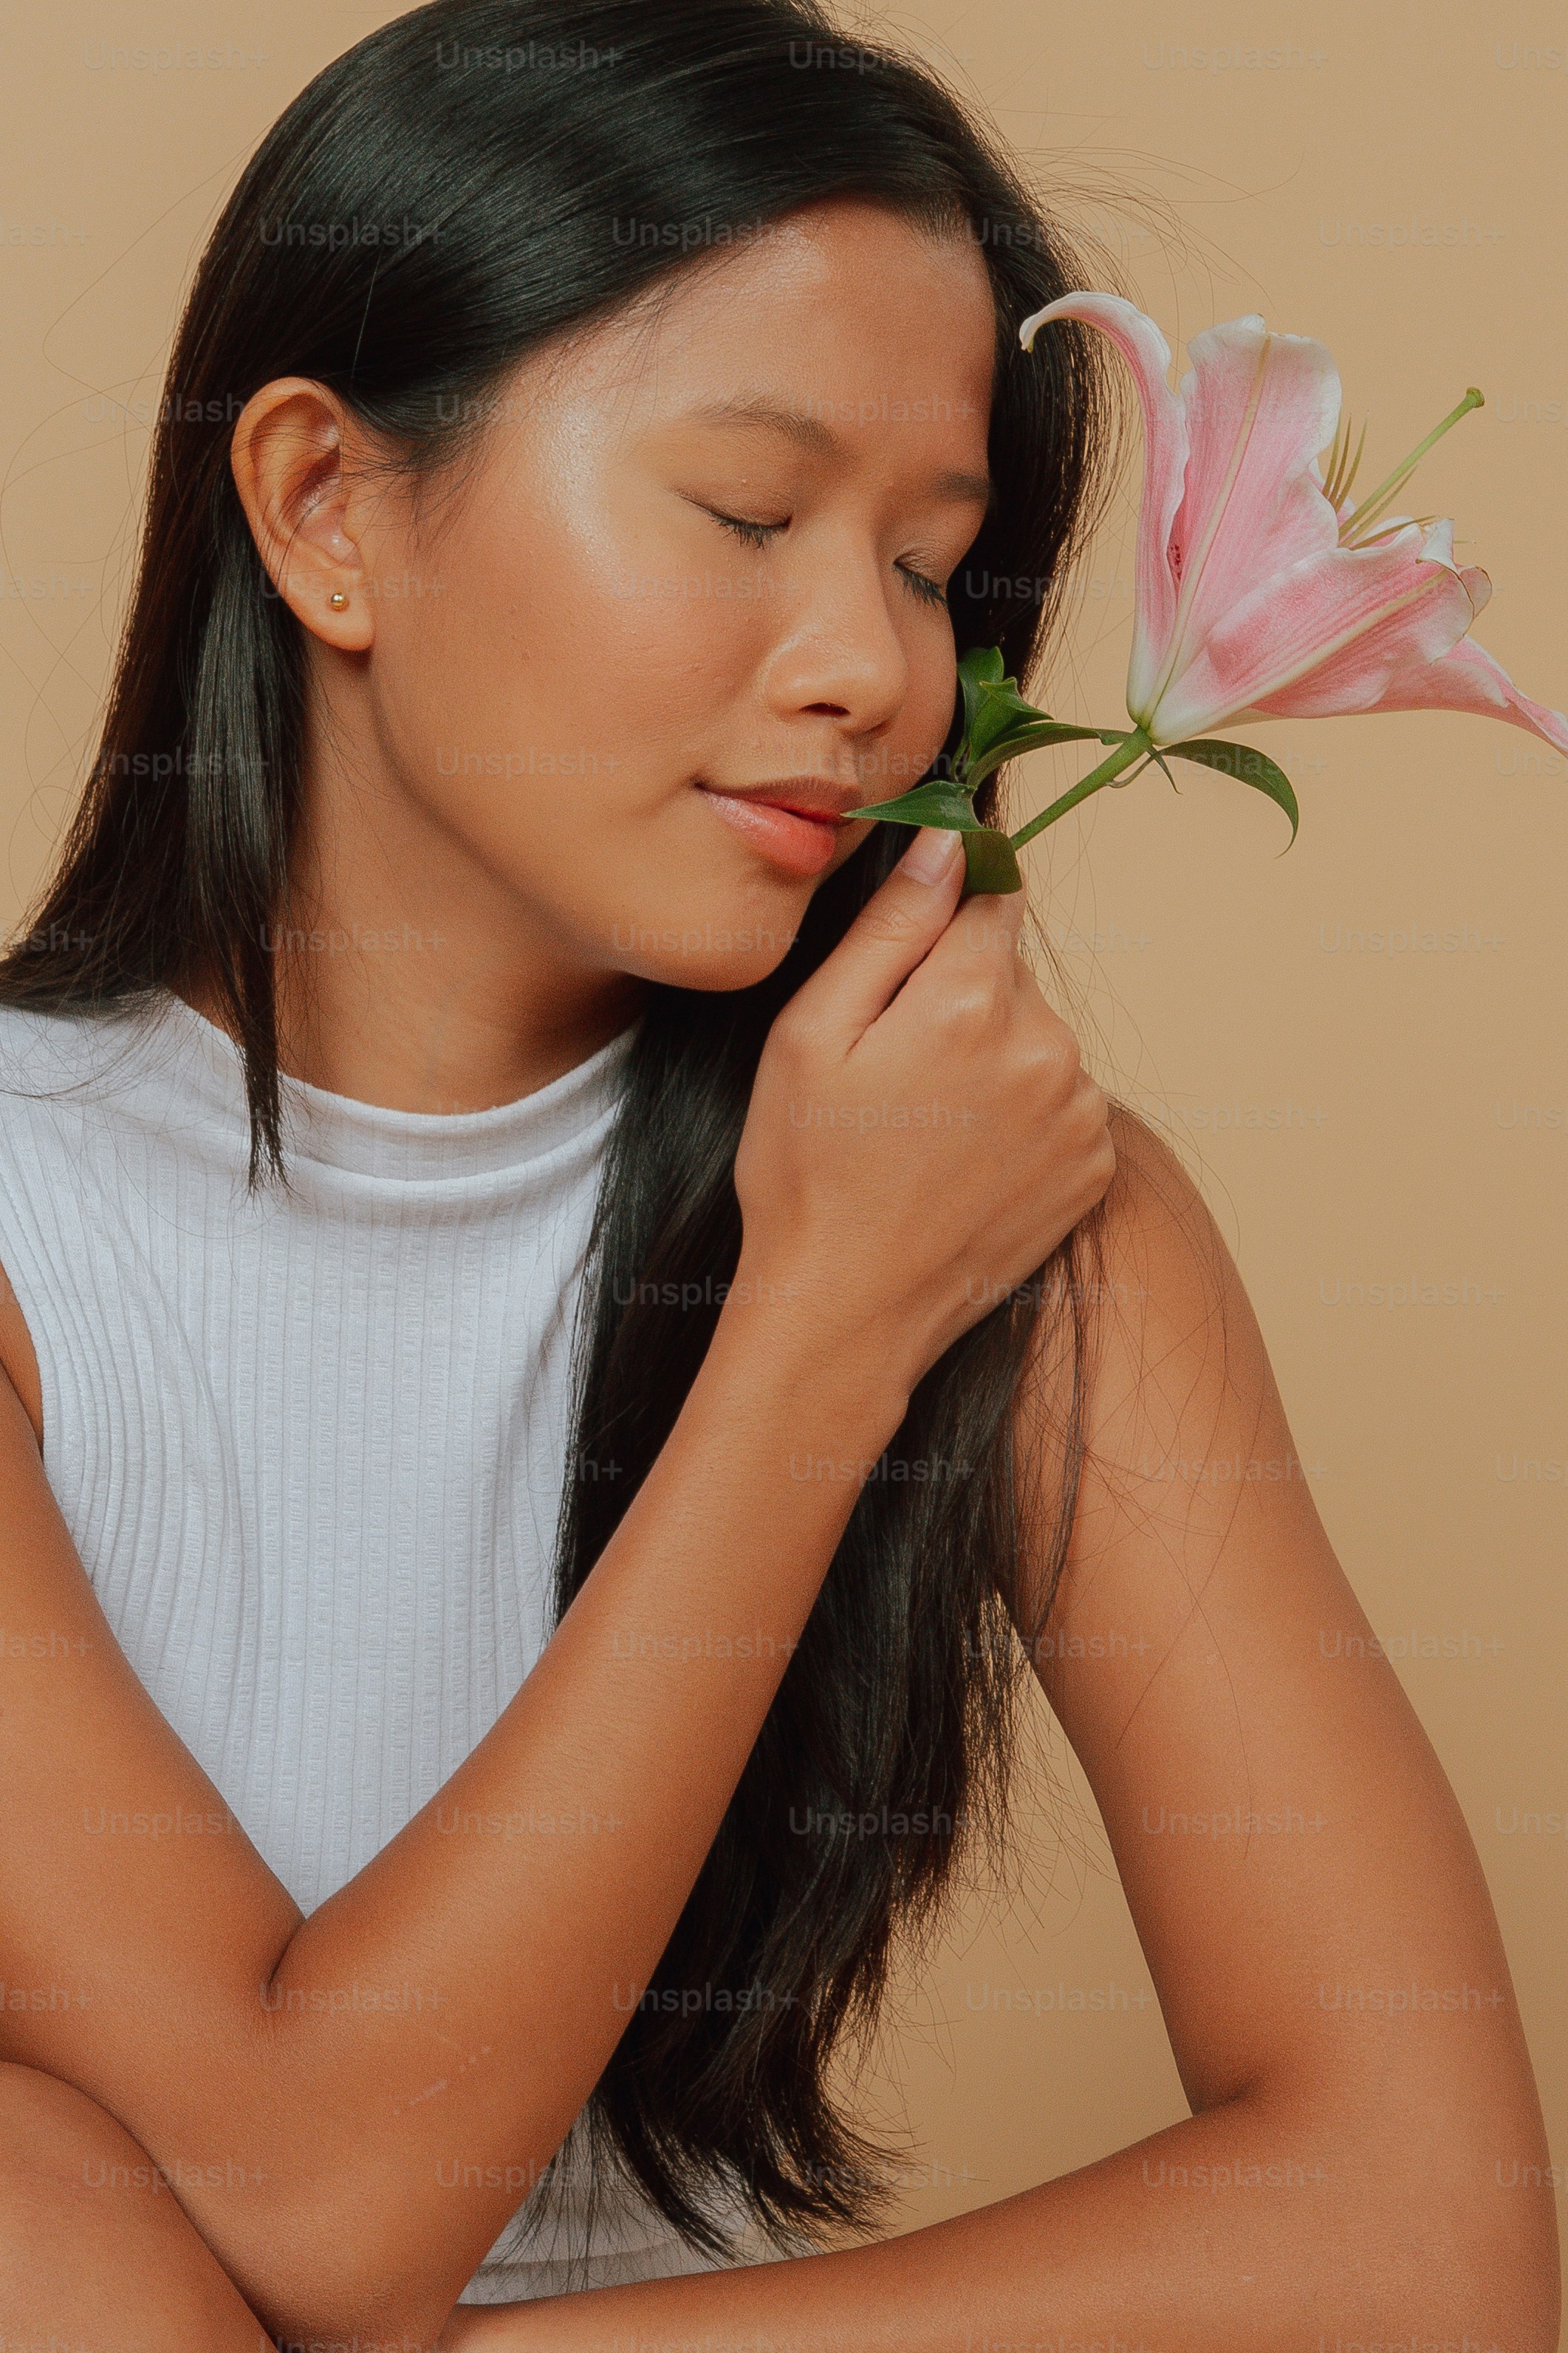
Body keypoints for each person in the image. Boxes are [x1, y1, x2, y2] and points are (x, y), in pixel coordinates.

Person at [0, 3, 1555, 2347]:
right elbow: (317, 2199)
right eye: (746, 513)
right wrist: (815, 1333)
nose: (872, 668)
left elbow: (1428, 2243)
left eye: (934, 567)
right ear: (328, 507)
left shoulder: (1023, 1216)